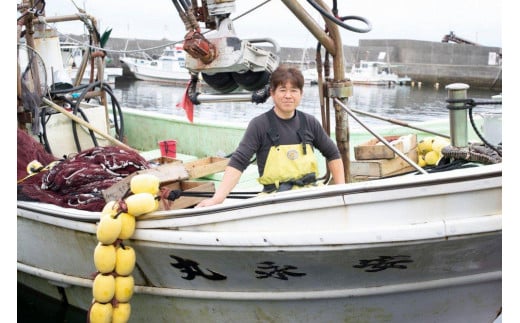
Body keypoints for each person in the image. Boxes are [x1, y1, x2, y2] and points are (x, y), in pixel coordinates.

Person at [196, 65, 345, 207]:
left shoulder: (310, 122)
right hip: (274, 200)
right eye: (282, 90)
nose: (288, 96)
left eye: (293, 90)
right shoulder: (259, 125)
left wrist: (341, 192)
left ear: (301, 94)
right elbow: (239, 162)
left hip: (309, 195)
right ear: (272, 93)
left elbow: (332, 154)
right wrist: (218, 198)